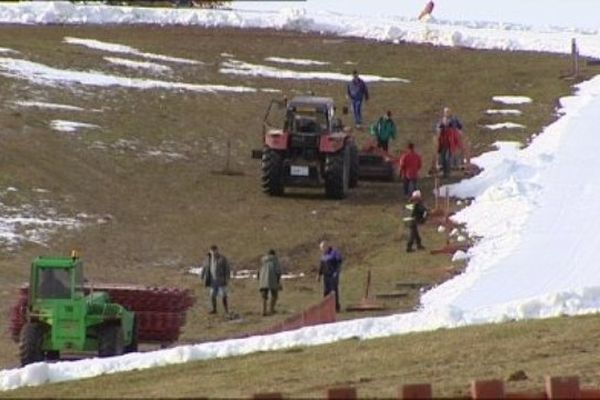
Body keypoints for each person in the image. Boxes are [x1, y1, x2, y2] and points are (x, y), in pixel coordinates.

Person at [200, 245, 231, 315]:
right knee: (212, 295)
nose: (213, 252)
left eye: (215, 251)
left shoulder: (222, 259)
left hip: (221, 280)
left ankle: (226, 310)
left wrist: (226, 279)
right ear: (210, 251)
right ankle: (214, 309)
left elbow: (227, 269)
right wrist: (202, 276)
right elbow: (204, 268)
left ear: (217, 250)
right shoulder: (208, 259)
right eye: (212, 251)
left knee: (223, 295)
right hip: (212, 281)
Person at [436, 107, 463, 178]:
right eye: (446, 112)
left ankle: (448, 172)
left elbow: (460, 126)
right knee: (443, 157)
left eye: (448, 112)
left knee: (448, 157)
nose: (447, 113)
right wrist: (440, 129)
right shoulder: (442, 120)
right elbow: (438, 128)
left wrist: (457, 131)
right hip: (443, 142)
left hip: (451, 141)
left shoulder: (454, 119)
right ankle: (445, 172)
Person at [317, 240, 343, 312]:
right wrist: (319, 275)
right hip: (326, 276)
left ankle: (336, 307)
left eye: (323, 248)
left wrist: (336, 272)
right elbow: (321, 266)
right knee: (326, 291)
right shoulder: (323, 255)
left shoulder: (334, 253)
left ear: (326, 246)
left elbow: (339, 263)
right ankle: (326, 308)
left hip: (333, 275)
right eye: (321, 249)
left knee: (334, 291)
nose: (322, 250)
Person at [257, 249, 282, 316]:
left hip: (263, 280)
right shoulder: (275, 260)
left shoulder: (263, 260)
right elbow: (278, 271)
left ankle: (263, 311)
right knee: (274, 295)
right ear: (274, 254)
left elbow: (259, 272)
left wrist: (259, 279)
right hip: (272, 280)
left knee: (264, 297)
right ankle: (271, 310)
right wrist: (278, 281)